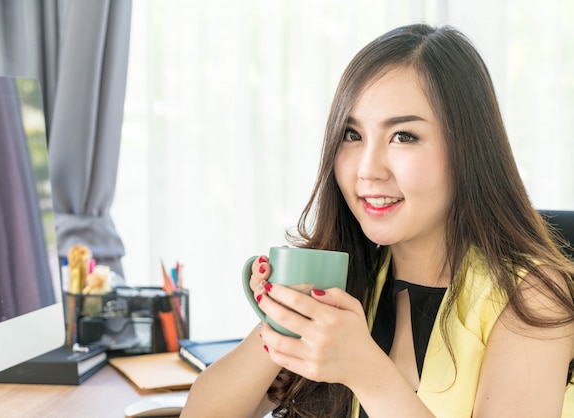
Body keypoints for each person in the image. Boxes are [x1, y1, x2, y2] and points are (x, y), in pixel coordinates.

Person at [180, 23, 574, 417]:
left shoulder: (533, 296)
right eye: (352, 135)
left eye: (403, 136)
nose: (367, 170)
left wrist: (366, 371)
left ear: (466, 149)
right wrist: (282, 316)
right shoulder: (347, 276)